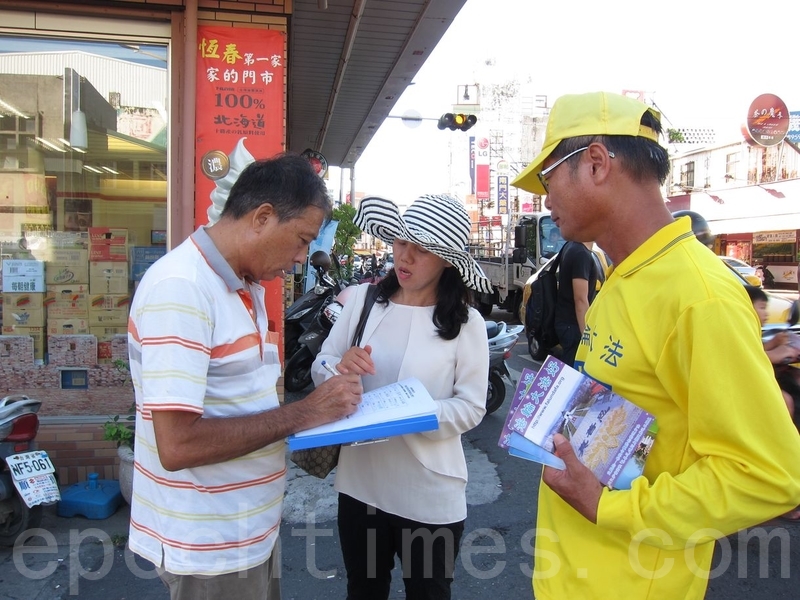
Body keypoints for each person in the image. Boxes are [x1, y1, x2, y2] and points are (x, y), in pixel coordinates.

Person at [510, 91, 800, 599]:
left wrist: (610, 507)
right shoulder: (623, 276)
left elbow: (770, 475)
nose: (544, 200)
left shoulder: (699, 297)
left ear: (596, 163)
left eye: (547, 178)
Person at [126, 153, 364, 599]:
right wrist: (306, 413)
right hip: (208, 548)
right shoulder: (182, 289)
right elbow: (178, 445)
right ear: (262, 217)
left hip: (245, 534)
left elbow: (243, 404)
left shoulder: (244, 284)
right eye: (301, 240)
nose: (300, 258)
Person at [311, 194, 491, 600]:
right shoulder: (362, 301)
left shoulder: (467, 324)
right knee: (363, 590)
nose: (405, 256)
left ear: (448, 261)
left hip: (430, 491)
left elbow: (471, 407)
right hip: (360, 485)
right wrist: (339, 369)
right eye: (400, 241)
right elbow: (322, 363)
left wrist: (415, 413)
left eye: (422, 249)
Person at [744, 284, 800, 418]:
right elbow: (745, 356)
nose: (766, 313)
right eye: (762, 307)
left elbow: (756, 349)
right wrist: (776, 354)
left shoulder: (752, 332)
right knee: (785, 400)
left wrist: (774, 343)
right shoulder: (738, 331)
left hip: (760, 378)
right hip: (748, 382)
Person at [554, 240, 598, 366]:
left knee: (569, 369)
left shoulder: (570, 246)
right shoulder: (581, 254)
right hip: (574, 325)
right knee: (573, 371)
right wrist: (586, 336)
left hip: (567, 322)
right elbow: (580, 299)